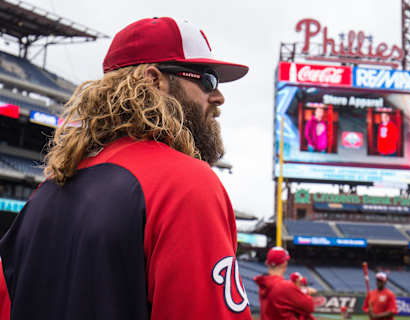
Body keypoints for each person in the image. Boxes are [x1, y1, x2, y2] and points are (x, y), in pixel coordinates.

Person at [0, 17, 251, 320]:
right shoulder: (185, 183)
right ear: (154, 80)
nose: (218, 96)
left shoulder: (45, 192)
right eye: (206, 79)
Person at [254, 247, 315, 320]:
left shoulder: (264, 284)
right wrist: (307, 292)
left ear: (267, 263)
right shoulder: (284, 286)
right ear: (284, 264)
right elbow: (309, 307)